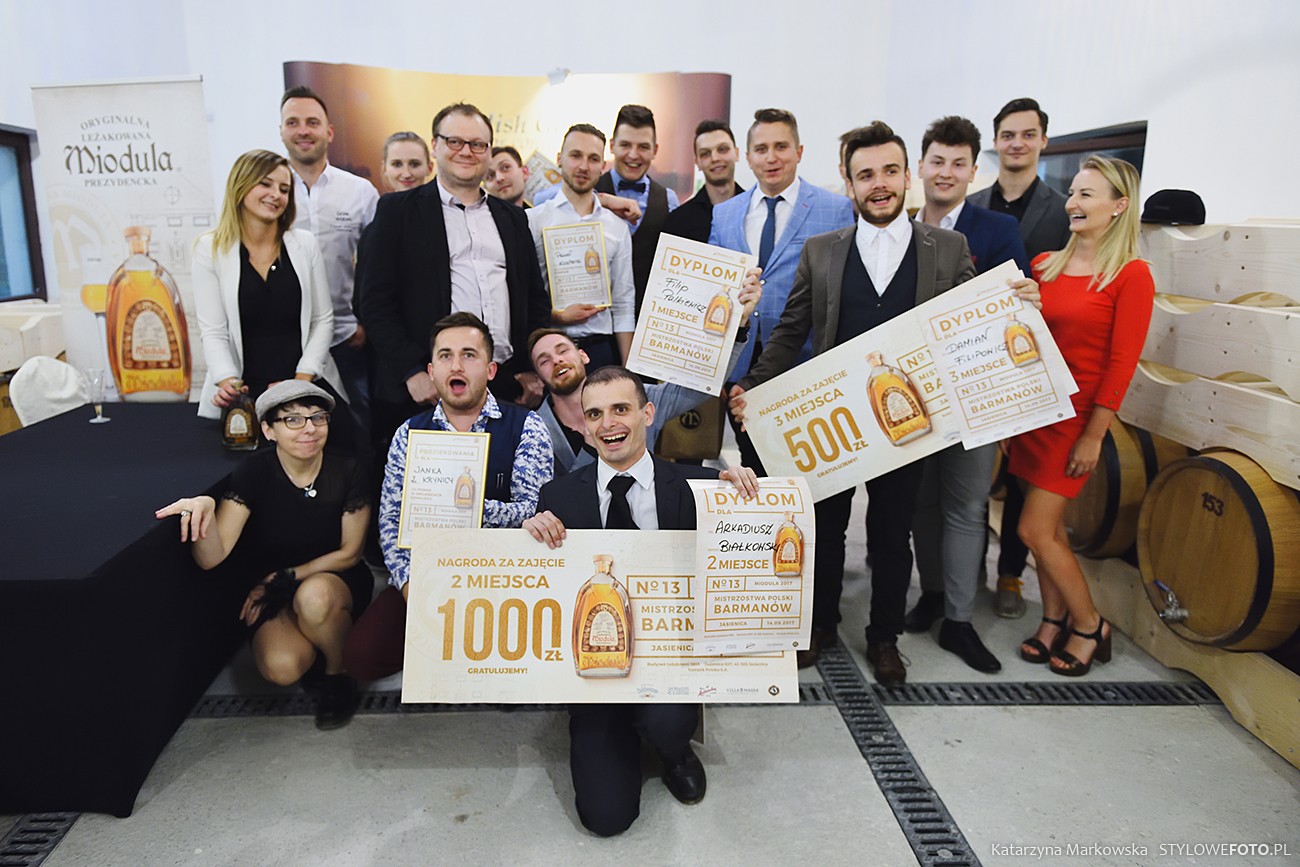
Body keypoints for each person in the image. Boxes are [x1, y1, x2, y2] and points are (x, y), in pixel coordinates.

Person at [729, 122, 1039, 682]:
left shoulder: (947, 249)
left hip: (908, 422)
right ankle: (820, 625)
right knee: (826, 529)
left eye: (890, 171)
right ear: (848, 182)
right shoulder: (822, 251)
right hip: (837, 421)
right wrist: (754, 382)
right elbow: (792, 330)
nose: (879, 184)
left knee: (894, 535)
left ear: (907, 176)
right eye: (866, 174)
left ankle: (884, 637)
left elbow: (975, 321)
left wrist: (1019, 303)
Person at [522, 365, 757, 837]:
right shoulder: (557, 495)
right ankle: (619, 740)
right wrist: (529, 533)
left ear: (647, 414)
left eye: (620, 409)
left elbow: (747, 553)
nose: (608, 423)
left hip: (669, 662)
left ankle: (674, 751)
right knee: (606, 819)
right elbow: (540, 582)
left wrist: (747, 496)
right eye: (595, 414)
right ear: (585, 425)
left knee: (667, 720)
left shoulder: (703, 488)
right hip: (596, 672)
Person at [343, 312, 552, 679]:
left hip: (503, 576)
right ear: (432, 371)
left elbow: (532, 510)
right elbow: (392, 522)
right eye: (445, 356)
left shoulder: (526, 425)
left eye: (469, 355)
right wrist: (409, 584)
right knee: (362, 657)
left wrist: (464, 510)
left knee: (514, 660)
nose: (456, 365)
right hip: (430, 573)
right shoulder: (409, 433)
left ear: (491, 370)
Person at [155, 380, 371, 730]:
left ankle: (338, 672)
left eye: (318, 417)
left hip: (334, 581)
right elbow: (211, 557)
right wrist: (205, 512)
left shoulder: (348, 468)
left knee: (314, 598)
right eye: (293, 420)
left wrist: (285, 576)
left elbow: (350, 553)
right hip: (275, 591)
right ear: (269, 430)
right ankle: (320, 638)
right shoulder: (254, 472)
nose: (309, 429)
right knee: (282, 668)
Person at [1010, 155, 1153, 677]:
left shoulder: (1131, 276)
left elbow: (1122, 364)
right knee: (1052, 532)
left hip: (1076, 420)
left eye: (1087, 194)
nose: (1072, 202)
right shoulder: (1044, 265)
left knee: (1033, 531)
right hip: (1034, 413)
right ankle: (1053, 620)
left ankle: (1091, 625)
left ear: (1119, 206)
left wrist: (1095, 435)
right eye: (1072, 192)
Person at [904, 116, 1032, 673]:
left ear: (973, 170)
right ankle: (933, 594)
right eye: (938, 161)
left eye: (959, 164)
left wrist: (1029, 296)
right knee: (921, 503)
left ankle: (959, 619)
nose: (946, 172)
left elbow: (1015, 309)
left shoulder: (997, 230)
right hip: (912, 397)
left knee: (965, 506)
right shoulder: (897, 228)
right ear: (921, 166)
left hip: (976, 395)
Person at [359, 102, 551, 438]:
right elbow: (374, 303)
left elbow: (535, 300)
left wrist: (531, 368)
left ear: (489, 151)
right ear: (435, 146)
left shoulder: (513, 218)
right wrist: (412, 372)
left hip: (506, 386)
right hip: (424, 390)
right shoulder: (396, 212)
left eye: (477, 144)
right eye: (455, 141)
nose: (466, 151)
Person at [968, 98, 1073, 617]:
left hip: (1033, 356)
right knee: (972, 474)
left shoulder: (1064, 209)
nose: (1017, 143)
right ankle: (966, 572)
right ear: (995, 141)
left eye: (1028, 134)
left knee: (1019, 477)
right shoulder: (972, 204)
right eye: (1008, 135)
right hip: (976, 357)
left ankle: (1009, 574)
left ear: (1043, 141)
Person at [709, 108, 855, 471]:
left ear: (799, 151)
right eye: (761, 149)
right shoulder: (725, 214)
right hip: (741, 367)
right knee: (754, 468)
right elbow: (714, 288)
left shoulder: (835, 209)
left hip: (805, 365)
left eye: (781, 147)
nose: (771, 158)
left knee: (811, 472)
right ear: (748, 157)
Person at [528, 267, 762, 474]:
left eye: (562, 350)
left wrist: (738, 325)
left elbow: (698, 385)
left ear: (583, 355)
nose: (557, 360)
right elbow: (550, 494)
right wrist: (591, 448)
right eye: (544, 361)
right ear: (538, 376)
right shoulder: (534, 429)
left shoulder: (640, 397)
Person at [191, 149, 346, 420]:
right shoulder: (210, 248)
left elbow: (322, 320)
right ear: (241, 186)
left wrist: (300, 383)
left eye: (284, 189)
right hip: (244, 392)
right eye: (265, 184)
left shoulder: (305, 244)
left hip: (307, 383)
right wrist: (228, 383)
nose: (276, 194)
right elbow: (213, 331)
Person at [280, 86, 379, 436]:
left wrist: (363, 323)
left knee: (360, 431)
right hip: (286, 339)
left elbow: (377, 268)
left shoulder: (360, 192)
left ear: (329, 131)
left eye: (312, 122)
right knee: (292, 431)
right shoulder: (268, 191)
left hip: (346, 338)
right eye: (293, 122)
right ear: (281, 131)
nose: (303, 131)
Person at [527, 123, 636, 371]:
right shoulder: (534, 220)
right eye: (575, 155)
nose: (584, 166)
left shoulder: (617, 227)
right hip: (549, 350)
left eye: (593, 159)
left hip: (601, 350)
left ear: (603, 166)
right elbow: (524, 296)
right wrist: (557, 316)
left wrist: (628, 369)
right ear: (559, 159)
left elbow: (623, 303)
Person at [663, 119, 744, 243]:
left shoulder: (756, 212)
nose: (715, 158)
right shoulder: (677, 221)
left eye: (722, 149)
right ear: (697, 163)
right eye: (705, 154)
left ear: (736, 154)